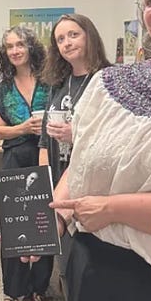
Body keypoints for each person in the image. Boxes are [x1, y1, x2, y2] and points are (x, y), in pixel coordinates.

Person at [48, 0, 151, 301]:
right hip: (92, 261)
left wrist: (111, 208)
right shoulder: (109, 84)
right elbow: (80, 162)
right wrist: (52, 221)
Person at [0, 25, 52, 301]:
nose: (15, 50)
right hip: (15, 158)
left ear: (31, 47)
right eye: (9, 46)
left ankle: (37, 288)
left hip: (46, 156)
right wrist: (23, 128)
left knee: (43, 223)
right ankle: (12, 293)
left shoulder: (51, 81)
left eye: (20, 45)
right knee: (14, 227)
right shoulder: (3, 88)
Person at [38, 13, 112, 185]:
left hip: (94, 182)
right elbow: (44, 142)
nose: (67, 43)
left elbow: (119, 138)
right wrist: (44, 183)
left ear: (89, 37)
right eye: (60, 39)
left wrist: (77, 134)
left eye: (73, 35)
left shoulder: (110, 80)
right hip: (58, 180)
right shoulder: (58, 83)